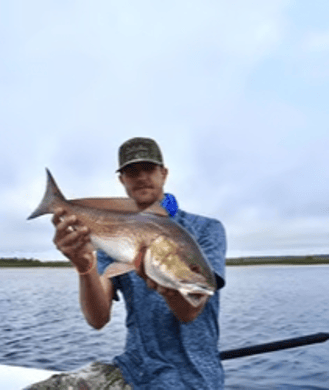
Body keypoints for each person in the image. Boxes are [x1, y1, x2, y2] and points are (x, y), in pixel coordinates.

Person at [51, 137, 226, 390]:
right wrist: (84, 264)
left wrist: (168, 286)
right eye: (132, 172)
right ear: (122, 180)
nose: (141, 177)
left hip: (191, 379)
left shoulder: (207, 229)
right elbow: (97, 319)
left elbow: (191, 311)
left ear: (164, 173)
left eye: (149, 169)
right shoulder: (114, 239)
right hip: (133, 371)